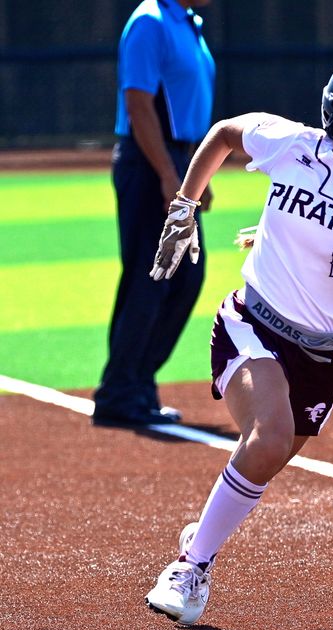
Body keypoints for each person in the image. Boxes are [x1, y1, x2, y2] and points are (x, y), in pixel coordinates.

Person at [143, 54, 333, 625]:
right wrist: (185, 205)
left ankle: (205, 532)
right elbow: (226, 133)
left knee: (265, 459)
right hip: (252, 323)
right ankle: (190, 567)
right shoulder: (292, 145)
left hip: (325, 354)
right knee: (268, 438)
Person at [92, 0, 215, 428]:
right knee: (153, 276)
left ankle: (136, 385)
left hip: (175, 159)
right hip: (150, 162)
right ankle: (120, 391)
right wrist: (168, 174)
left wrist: (197, 173)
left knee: (182, 278)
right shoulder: (151, 21)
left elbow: (187, 108)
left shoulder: (188, 23)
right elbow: (139, 104)